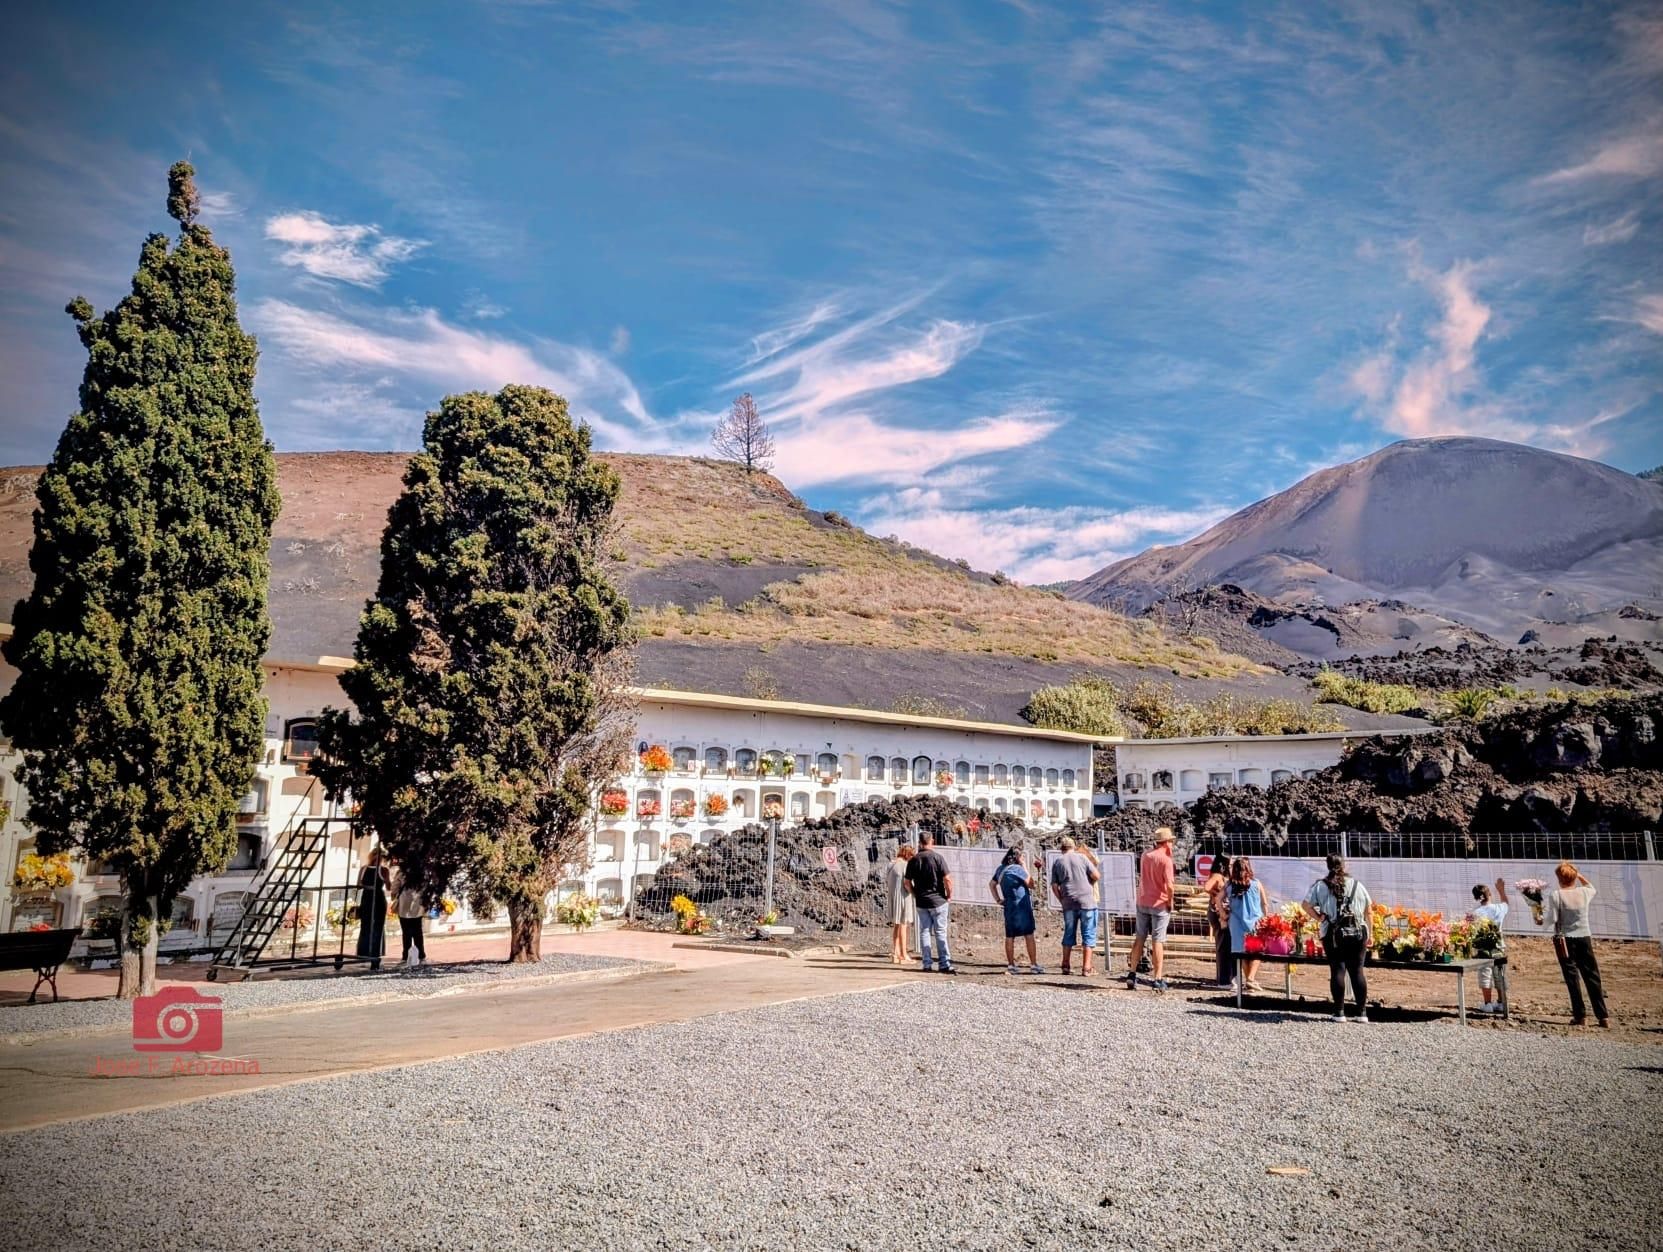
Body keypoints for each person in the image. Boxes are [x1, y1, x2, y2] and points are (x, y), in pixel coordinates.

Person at [1541, 861, 1609, 1028]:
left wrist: (1541, 922)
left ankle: (1580, 1015)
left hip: (1566, 940)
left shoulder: (1556, 895)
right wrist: (1579, 876)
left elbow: (1554, 918)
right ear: (1574, 877)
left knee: (1572, 978)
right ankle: (1603, 1016)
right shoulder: (1585, 892)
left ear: (1559, 878)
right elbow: (1592, 887)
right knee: (1592, 976)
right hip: (1584, 937)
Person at [1305, 855, 1373, 1022]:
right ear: (1345, 865)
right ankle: (1361, 1013)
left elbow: (1305, 905)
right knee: (1357, 971)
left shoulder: (1320, 886)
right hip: (1357, 931)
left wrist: (1318, 917)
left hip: (1332, 933)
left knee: (1337, 970)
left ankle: (1339, 1012)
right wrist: (1370, 934)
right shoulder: (1357, 885)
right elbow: (1369, 910)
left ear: (1327, 866)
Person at [1125, 828, 1176, 992]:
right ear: (1167, 842)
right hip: (1159, 904)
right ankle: (1158, 978)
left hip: (1143, 901)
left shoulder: (1146, 855)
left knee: (1139, 938)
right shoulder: (1166, 860)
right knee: (1158, 940)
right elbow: (1169, 886)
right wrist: (1170, 901)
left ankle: (1132, 973)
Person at [904, 831, 955, 974]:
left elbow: (907, 883)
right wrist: (949, 895)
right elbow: (947, 880)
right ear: (931, 841)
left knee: (924, 932)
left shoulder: (913, 860)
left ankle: (927, 963)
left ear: (920, 842)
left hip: (922, 901)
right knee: (940, 932)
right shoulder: (938, 858)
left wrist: (915, 894)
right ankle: (944, 963)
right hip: (938, 900)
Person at [1049, 835, 1101, 975]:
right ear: (1073, 846)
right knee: (1088, 934)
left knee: (1069, 933)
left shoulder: (1057, 862)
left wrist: (1062, 900)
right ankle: (1086, 968)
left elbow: (1054, 886)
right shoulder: (1082, 858)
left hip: (1069, 902)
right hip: (1087, 902)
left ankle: (1065, 965)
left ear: (1061, 848)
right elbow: (1096, 875)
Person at [990, 847, 1042, 975]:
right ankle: (1034, 964)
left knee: (1010, 936)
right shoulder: (1017, 869)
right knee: (1029, 934)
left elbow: (991, 884)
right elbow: (1031, 884)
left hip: (1009, 905)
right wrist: (1024, 866)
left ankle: (1011, 965)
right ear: (1018, 857)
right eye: (1022, 856)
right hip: (1022, 906)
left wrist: (998, 900)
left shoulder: (1000, 869)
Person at [1226, 856, 1269, 992]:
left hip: (1236, 922)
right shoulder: (1256, 883)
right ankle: (1250, 979)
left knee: (1242, 952)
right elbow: (1264, 903)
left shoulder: (1230, 885)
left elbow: (1218, 898)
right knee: (1257, 952)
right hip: (1255, 922)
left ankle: (1249, 982)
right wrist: (1266, 918)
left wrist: (1223, 913)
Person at [1470, 877, 1509, 1012]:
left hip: (1483, 949)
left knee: (1485, 975)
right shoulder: (1499, 908)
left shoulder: (1475, 913)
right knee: (1500, 974)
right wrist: (1501, 890)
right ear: (1489, 894)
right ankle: (1501, 1002)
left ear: (1477, 898)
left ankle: (1487, 1004)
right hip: (1499, 946)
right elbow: (1506, 902)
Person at [355, 847, 390, 969]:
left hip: (367, 898)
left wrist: (367, 886)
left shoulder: (364, 869)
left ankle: (364, 953)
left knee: (366, 926)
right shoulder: (383, 870)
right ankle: (375, 953)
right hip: (378, 899)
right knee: (377, 927)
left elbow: (359, 885)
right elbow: (389, 886)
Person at [1203, 855, 1235, 987]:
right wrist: (1216, 894)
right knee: (1223, 945)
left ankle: (1224, 977)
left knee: (1224, 945)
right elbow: (1207, 887)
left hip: (1218, 912)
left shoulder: (1219, 876)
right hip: (1217, 913)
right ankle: (1224, 979)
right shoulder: (1217, 876)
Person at [886, 845, 917, 965]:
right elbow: (907, 884)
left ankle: (895, 953)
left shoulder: (890, 864)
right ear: (908, 855)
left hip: (893, 897)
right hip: (903, 898)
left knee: (897, 925)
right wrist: (915, 894)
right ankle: (904, 955)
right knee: (904, 925)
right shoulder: (905, 865)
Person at [395, 870, 427, 970]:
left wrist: (394, 894)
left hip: (404, 905)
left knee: (406, 933)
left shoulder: (401, 872)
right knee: (418, 932)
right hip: (418, 905)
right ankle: (421, 956)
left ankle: (406, 957)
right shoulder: (422, 872)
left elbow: (394, 887)